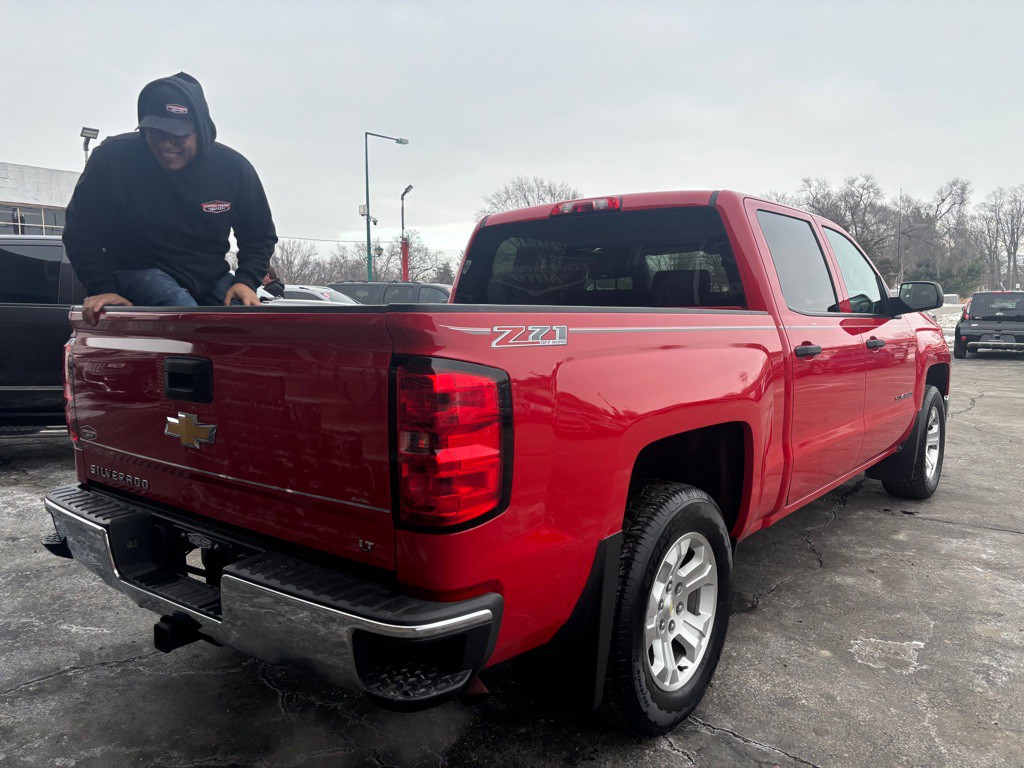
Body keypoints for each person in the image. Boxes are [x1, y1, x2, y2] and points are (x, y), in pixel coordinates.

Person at [63, 72, 278, 325]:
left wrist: (246, 280)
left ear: (202, 130)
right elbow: (80, 229)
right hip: (139, 271)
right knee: (182, 311)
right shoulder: (113, 160)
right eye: (157, 133)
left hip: (208, 277)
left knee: (247, 318)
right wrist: (102, 287)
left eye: (179, 135)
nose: (167, 144)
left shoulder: (233, 169)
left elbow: (259, 234)